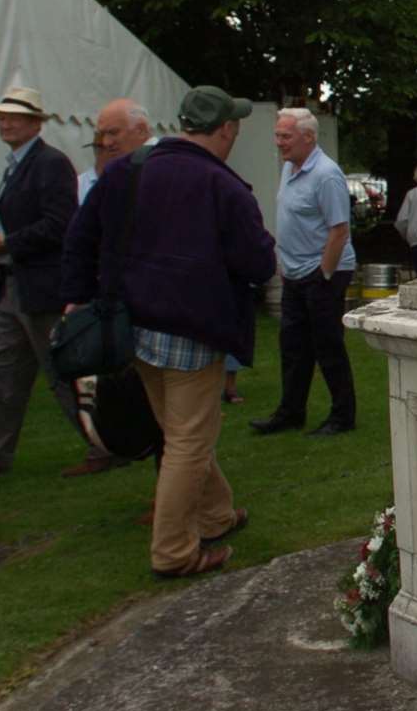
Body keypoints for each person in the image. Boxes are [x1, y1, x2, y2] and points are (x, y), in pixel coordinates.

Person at [63, 85, 274, 577]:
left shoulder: (126, 171)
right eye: (235, 125)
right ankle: (174, 552)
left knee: (181, 433)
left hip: (134, 329)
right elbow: (259, 262)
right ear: (225, 129)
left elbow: (80, 238)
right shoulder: (223, 187)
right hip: (192, 332)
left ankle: (217, 514)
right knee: (188, 441)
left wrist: (76, 298)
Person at [0, 85, 118, 478]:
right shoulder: (16, 164)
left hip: (42, 285)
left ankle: (105, 443)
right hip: (15, 282)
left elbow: (60, 223)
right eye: (2, 116)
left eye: (14, 116)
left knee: (63, 373)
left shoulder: (49, 163)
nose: (5, 122)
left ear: (35, 122)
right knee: (5, 373)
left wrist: (8, 242)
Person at [251, 107, 358, 437]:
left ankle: (342, 416)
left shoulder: (326, 174)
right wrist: (289, 268)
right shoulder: (289, 168)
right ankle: (291, 412)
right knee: (293, 346)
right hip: (295, 274)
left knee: (327, 346)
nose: (279, 142)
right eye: (278, 135)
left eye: (286, 136)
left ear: (309, 137)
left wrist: (322, 274)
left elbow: (339, 231)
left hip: (323, 272)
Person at [77, 98, 153, 203]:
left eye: (113, 132)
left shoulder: (165, 167)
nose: (106, 143)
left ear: (140, 130)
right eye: (102, 134)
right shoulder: (116, 173)